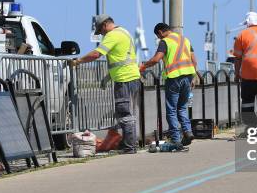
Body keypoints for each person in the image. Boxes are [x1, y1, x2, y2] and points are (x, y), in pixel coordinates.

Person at [71, 14, 140, 154]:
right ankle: (130, 144)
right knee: (128, 113)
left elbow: (97, 54)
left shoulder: (112, 35)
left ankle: (129, 146)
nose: (101, 34)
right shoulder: (124, 32)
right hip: (132, 76)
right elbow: (122, 58)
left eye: (100, 31)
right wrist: (107, 77)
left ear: (104, 25)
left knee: (124, 113)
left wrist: (78, 61)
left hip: (124, 79)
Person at [140, 23, 199, 151]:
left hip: (174, 78)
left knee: (171, 110)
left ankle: (176, 140)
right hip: (188, 76)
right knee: (182, 107)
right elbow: (194, 61)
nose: (159, 39)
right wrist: (193, 77)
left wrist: (143, 66)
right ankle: (188, 132)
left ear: (160, 32)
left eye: (158, 36)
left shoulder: (165, 42)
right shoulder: (185, 40)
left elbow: (156, 59)